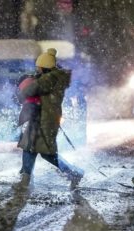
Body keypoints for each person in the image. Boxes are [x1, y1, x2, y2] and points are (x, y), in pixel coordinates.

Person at [15, 48, 84, 190]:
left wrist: (25, 85)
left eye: (38, 67)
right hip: (42, 119)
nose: (37, 69)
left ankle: (73, 173)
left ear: (44, 67)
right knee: (29, 147)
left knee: (46, 153)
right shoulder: (53, 78)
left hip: (44, 121)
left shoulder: (49, 79)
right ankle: (25, 179)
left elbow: (28, 91)